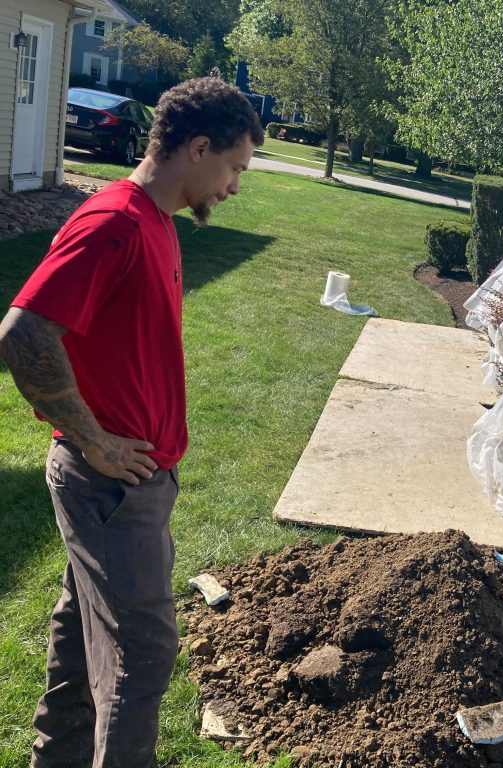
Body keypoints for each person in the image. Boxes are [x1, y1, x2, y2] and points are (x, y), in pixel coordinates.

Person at [0, 77, 263, 767]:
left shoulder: (155, 221)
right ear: (197, 147)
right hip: (112, 490)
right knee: (142, 655)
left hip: (127, 486)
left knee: (79, 643)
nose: (235, 186)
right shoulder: (114, 221)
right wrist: (92, 441)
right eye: (233, 167)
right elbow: (24, 334)